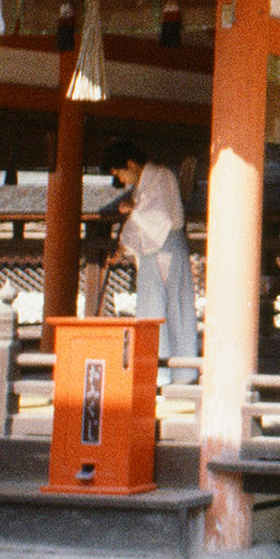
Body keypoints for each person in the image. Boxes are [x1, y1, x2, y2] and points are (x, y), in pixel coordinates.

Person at [106, 140, 198, 383]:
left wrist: (133, 209)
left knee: (172, 310)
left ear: (129, 163)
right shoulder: (142, 185)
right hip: (151, 254)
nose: (122, 180)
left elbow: (160, 216)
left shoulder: (161, 175)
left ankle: (179, 372)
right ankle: (157, 373)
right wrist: (123, 248)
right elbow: (139, 222)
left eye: (120, 173)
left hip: (167, 249)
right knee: (151, 310)